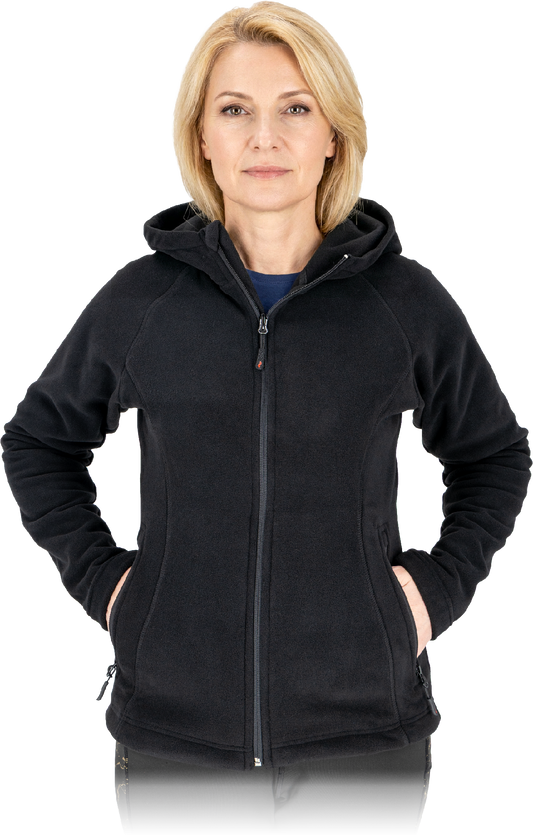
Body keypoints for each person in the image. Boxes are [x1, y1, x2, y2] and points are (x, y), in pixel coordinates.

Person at [1, 2, 530, 834]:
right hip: (177, 734)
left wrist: (436, 590)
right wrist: (108, 585)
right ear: (201, 138)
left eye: (295, 108)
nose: (264, 138)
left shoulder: (404, 302)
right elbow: (37, 440)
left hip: (363, 734)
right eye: (234, 110)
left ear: (333, 135)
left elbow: (492, 454)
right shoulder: (142, 302)